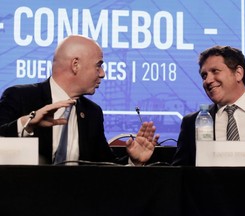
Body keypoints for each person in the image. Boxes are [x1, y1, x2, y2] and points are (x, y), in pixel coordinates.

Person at [0, 35, 159, 165]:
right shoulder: (20, 97)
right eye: (99, 65)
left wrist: (133, 161)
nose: (103, 73)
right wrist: (27, 123)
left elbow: (105, 167)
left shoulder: (92, 113)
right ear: (75, 65)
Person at [172, 45, 245, 166]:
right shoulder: (192, 123)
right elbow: (179, 176)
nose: (207, 80)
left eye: (215, 71)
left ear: (238, 73)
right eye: (204, 76)